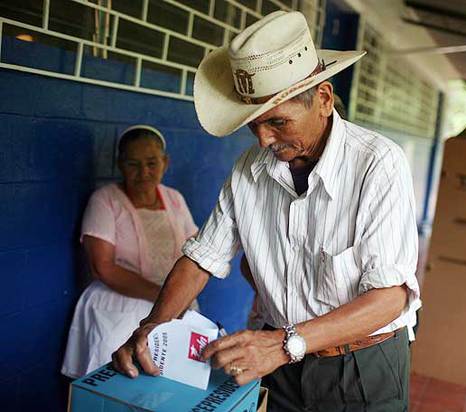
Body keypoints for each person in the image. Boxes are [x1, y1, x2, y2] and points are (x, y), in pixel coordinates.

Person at [113, 11, 420, 411]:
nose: (263, 139)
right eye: (252, 124)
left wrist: (283, 343)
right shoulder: (249, 169)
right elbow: (201, 258)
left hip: (361, 367)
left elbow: (390, 298)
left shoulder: (378, 164)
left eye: (277, 121)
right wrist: (152, 326)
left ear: (323, 99)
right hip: (280, 365)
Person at [61, 125, 199, 378]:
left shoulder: (175, 198)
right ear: (120, 164)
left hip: (172, 305)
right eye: (133, 164)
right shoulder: (105, 200)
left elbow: (196, 251)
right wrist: (165, 297)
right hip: (117, 309)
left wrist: (178, 298)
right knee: (112, 383)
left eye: (151, 163)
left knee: (167, 383)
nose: (143, 172)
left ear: (165, 163)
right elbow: (104, 267)